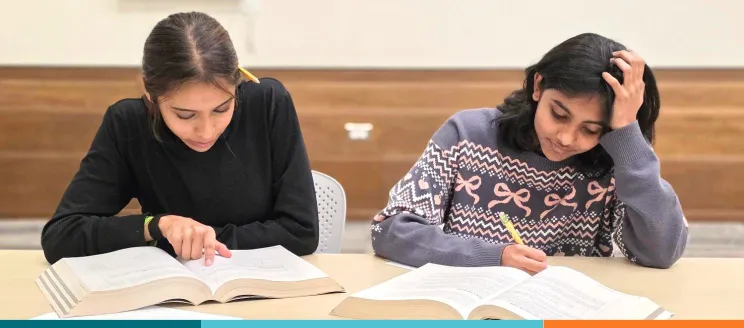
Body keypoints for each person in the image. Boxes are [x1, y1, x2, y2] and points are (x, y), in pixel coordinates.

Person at [370, 33, 688, 273]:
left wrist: (628, 138)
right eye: (559, 114)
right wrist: (493, 256)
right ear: (538, 86)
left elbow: (660, 252)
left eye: (591, 130)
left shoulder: (617, 158)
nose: (566, 137)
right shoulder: (467, 134)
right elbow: (390, 230)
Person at [40, 12, 319, 265]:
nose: (207, 131)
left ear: (238, 84)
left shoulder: (268, 103)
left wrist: (199, 241)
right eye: (185, 115)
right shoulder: (128, 123)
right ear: (151, 96)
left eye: (222, 109)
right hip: (171, 295)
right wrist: (156, 225)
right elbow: (61, 237)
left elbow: (301, 231)